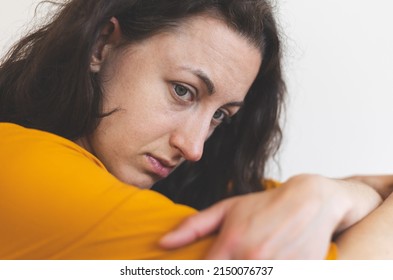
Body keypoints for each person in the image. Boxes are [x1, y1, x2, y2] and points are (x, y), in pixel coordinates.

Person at [0, 0, 387, 260]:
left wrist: (333, 196)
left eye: (221, 116)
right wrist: (328, 198)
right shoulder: (19, 169)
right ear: (102, 46)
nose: (194, 147)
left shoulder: (168, 186)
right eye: (183, 91)